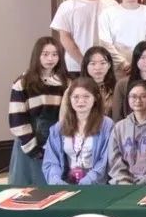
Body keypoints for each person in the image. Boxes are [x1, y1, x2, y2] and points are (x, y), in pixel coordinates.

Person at [8, 37, 69, 185]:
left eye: (55, 54)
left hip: (57, 139)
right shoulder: (23, 82)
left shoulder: (66, 82)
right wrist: (32, 148)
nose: (50, 59)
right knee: (27, 190)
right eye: (45, 54)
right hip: (30, 141)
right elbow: (17, 119)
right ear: (37, 55)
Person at [50, 0, 118, 76]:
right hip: (76, 66)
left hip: (105, 65)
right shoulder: (67, 6)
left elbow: (116, 35)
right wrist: (83, 63)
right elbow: (65, 37)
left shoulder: (112, 5)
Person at [42, 77, 114, 185]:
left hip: (96, 185)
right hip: (67, 183)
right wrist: (57, 181)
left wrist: (87, 182)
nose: (80, 101)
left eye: (86, 96)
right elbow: (51, 161)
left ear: (95, 98)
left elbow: (104, 162)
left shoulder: (107, 125)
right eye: (76, 97)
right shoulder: (59, 128)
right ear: (69, 99)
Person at [108, 79, 146, 185]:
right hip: (123, 184)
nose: (138, 100)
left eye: (143, 96)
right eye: (133, 96)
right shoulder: (119, 127)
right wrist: (124, 181)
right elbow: (115, 159)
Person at [110, 41, 146, 121]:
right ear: (136, 59)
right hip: (128, 127)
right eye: (142, 57)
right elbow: (117, 115)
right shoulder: (122, 84)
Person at [82, 46, 118, 117]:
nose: (98, 68)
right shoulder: (76, 88)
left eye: (103, 63)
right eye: (93, 63)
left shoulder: (117, 88)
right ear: (86, 66)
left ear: (109, 65)